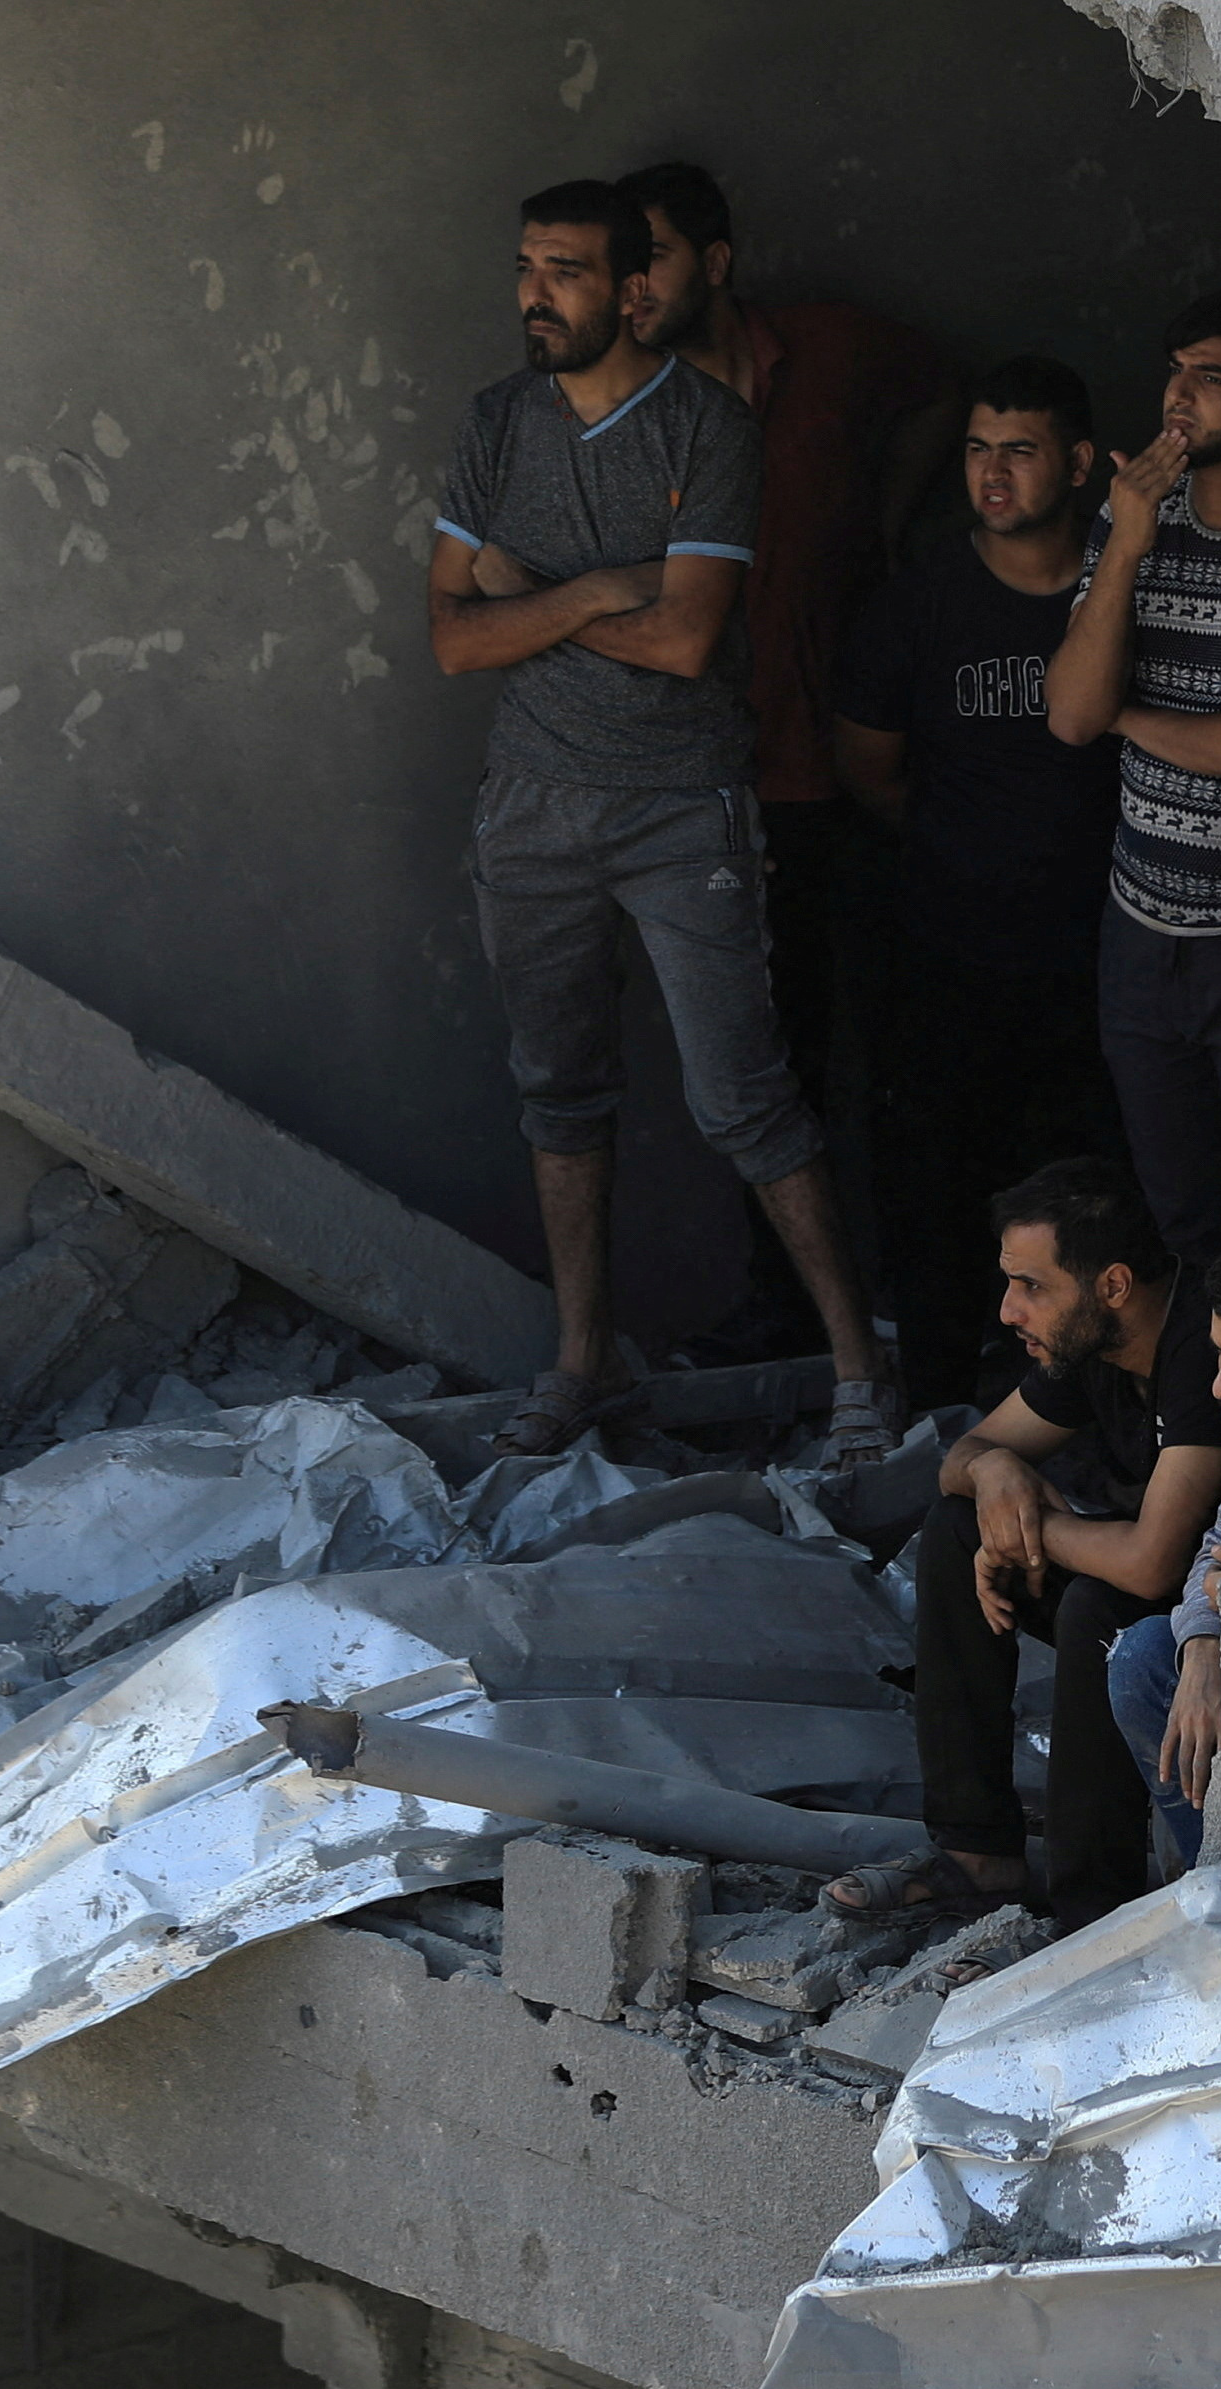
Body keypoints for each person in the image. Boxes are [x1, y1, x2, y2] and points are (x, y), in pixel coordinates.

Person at [428, 178, 894, 1470]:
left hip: (679, 808)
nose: (536, 291)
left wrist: (531, 593)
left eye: (566, 269)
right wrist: (595, 591)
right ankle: (583, 1360)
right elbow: (447, 637)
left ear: (631, 287)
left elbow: (689, 639)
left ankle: (859, 1368)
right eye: (525, 264)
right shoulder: (493, 423)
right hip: (528, 806)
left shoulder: (705, 429)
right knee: (558, 1091)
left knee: (742, 1097)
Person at [614, 161, 957, 1364]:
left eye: (645, 255)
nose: (626, 284)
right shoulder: (630, 410)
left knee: (908, 1051)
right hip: (730, 790)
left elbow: (941, 390)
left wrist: (890, 518)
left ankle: (942, 1313)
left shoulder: (831, 350)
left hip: (867, 761)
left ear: (714, 263)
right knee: (771, 1067)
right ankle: (790, 1322)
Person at [830, 360, 1129, 1406]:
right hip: (947, 952)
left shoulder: (1123, 582)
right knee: (937, 1183)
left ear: (1081, 464)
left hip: (1098, 953)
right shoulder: (920, 604)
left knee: (1094, 1185)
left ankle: (1094, 1400)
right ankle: (944, 1399)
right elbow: (869, 766)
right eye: (976, 450)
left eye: (1020, 450)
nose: (991, 475)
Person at [833, 1156, 1221, 1930]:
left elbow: (1152, 1564)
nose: (1010, 1311)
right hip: (1144, 1583)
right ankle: (977, 1853)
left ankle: (1089, 1911)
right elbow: (963, 1453)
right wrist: (994, 1477)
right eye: (1009, 1283)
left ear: (1112, 1285)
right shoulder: (1087, 1344)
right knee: (954, 1528)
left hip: (1214, 1617)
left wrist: (1025, 1525)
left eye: (1032, 1287)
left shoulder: (1197, 1348)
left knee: (1097, 1608)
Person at [1047, 289, 1221, 1263]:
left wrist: (1129, 719)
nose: (1178, 398)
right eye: (1175, 374)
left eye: (1211, 378)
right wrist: (1130, 542)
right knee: (1187, 1227)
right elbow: (1067, 714)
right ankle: (1207, 1418)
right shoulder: (1134, 520)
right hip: (1139, 939)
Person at [1105, 1237, 1221, 1869]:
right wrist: (1203, 1647)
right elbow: (1218, 1553)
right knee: (1144, 1657)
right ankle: (1212, 1878)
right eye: (1219, 1353)